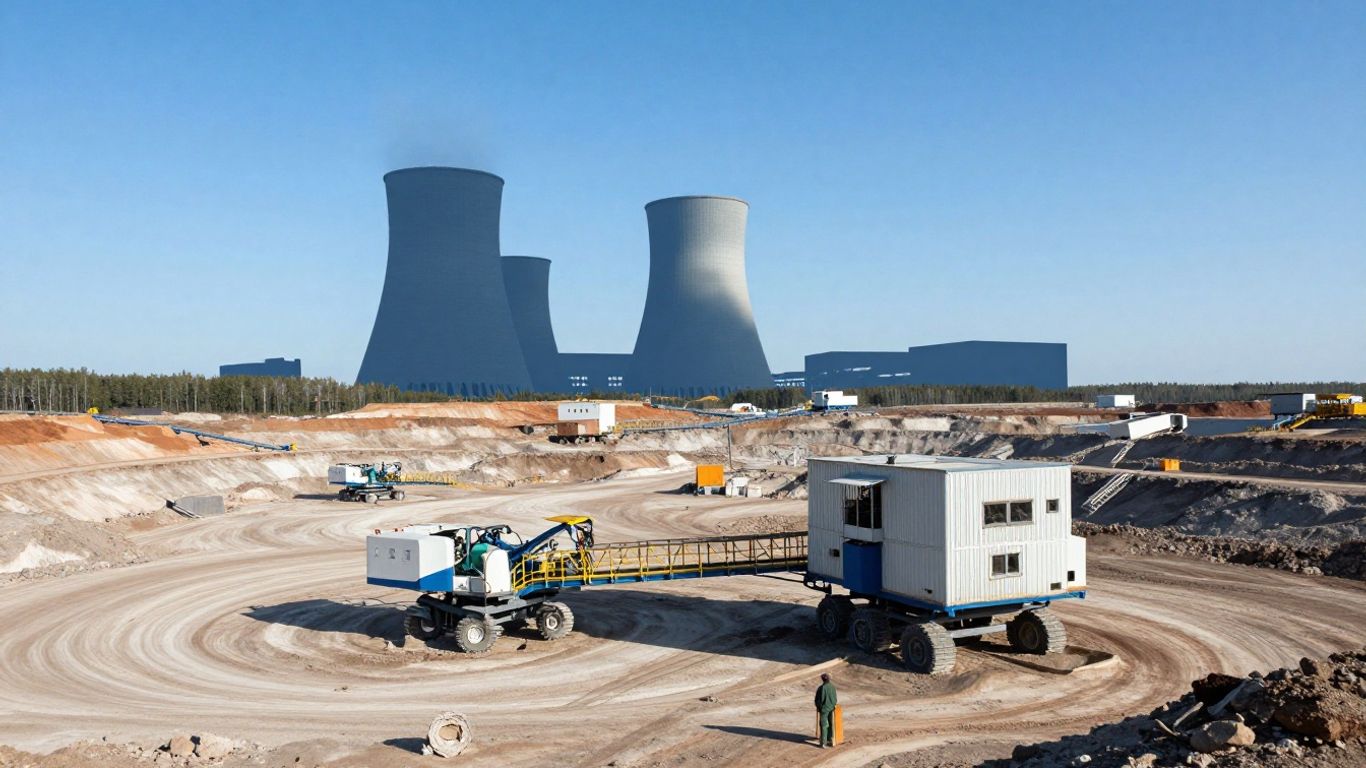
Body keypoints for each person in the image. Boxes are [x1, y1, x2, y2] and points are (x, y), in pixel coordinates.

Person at [813, 672, 838, 748]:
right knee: (831, 724)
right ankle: (830, 739)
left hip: (824, 709)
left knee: (823, 725)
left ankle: (823, 743)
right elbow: (835, 699)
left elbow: (819, 700)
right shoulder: (833, 687)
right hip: (832, 707)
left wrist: (819, 707)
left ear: (822, 679)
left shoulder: (821, 688)